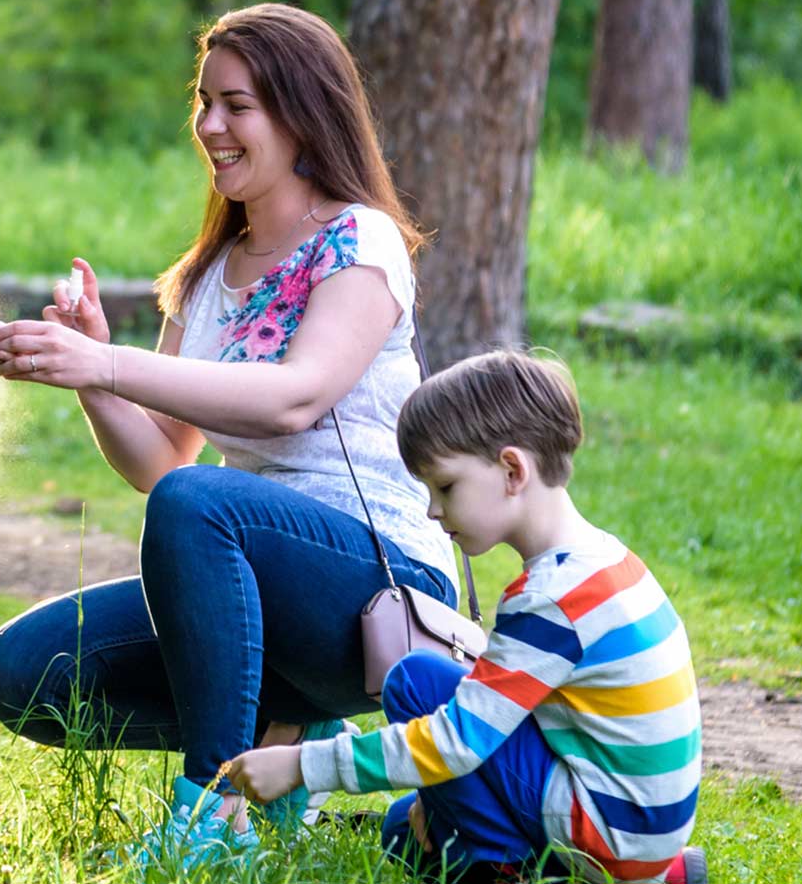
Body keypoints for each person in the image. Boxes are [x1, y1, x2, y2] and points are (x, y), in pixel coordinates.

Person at [0, 3, 459, 865]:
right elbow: (163, 460)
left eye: (237, 105)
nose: (210, 126)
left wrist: (109, 365)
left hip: (379, 587)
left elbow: (293, 400)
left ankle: (213, 819)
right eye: (204, 103)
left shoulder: (359, 240)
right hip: (241, 582)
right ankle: (285, 774)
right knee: (26, 673)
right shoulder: (205, 277)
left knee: (201, 504)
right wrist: (91, 374)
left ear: (302, 112)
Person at [224, 351, 706, 883]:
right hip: (641, 828)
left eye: (446, 487)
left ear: (512, 469)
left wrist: (302, 766)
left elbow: (459, 740)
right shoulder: (606, 560)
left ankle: (509, 872)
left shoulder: (552, 599)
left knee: (416, 684)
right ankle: (661, 873)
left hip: (610, 838)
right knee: (401, 834)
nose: (433, 510)